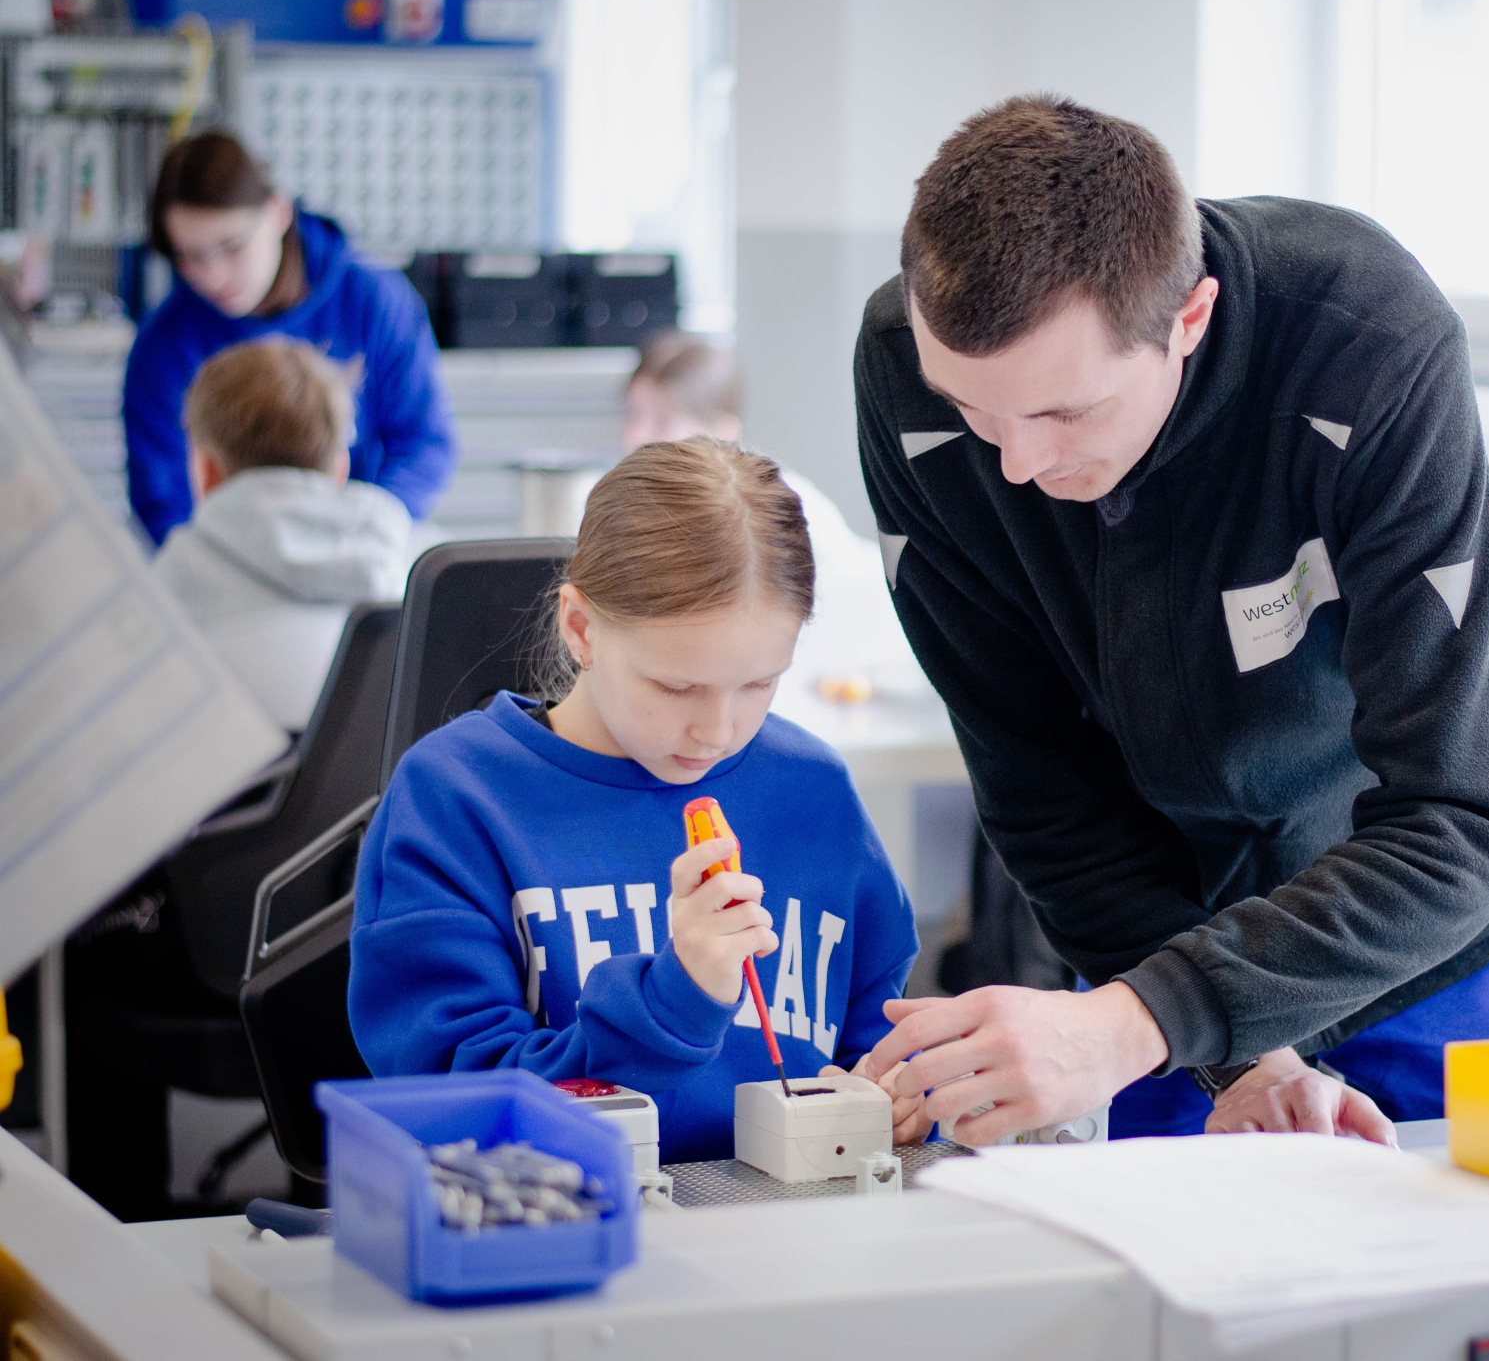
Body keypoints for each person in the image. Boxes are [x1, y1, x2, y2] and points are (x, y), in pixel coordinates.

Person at [858, 96, 1489, 1144]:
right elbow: (1041, 791)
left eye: (1065, 411)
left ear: (1186, 319)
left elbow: (1459, 815)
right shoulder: (904, 365)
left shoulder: (1365, 341)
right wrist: (1218, 1040)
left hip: (1427, 940)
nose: (1012, 462)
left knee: (1458, 1290)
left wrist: (1138, 1021)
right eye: (973, 410)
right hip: (1153, 939)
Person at [348, 438, 928, 1163]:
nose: (717, 732)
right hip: (558, 1226)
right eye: (675, 687)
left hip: (797, 1222)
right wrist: (672, 999)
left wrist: (899, 1093)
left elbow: (874, 1033)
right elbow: (451, 1106)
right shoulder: (455, 798)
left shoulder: (812, 788)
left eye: (758, 684)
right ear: (581, 628)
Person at [124, 131, 457, 549]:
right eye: (190, 256)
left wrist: (361, 536)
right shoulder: (164, 345)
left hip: (357, 550)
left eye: (231, 247)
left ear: (278, 212)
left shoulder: (374, 301)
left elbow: (424, 443)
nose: (212, 275)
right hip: (227, 574)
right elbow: (162, 500)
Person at [622, 332, 924, 709]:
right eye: (633, 415)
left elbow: (867, 588)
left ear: (722, 431)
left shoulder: (781, 505)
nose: (636, 436)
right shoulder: (623, 506)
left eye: (662, 421)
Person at [153, 338, 411, 730]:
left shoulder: (170, 583)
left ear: (206, 472)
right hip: (373, 792)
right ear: (339, 469)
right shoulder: (405, 574)